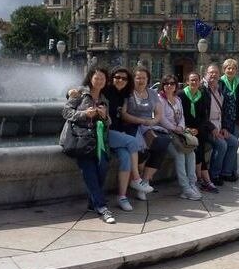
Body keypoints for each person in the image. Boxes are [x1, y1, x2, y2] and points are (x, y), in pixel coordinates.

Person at [68, 66, 154, 212]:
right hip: (103, 134)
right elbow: (82, 91)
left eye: (124, 78)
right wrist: (70, 92)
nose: (120, 80)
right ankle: (136, 179)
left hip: (114, 132)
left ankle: (122, 197)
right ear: (111, 79)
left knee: (125, 156)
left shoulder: (126, 94)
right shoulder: (105, 91)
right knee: (132, 142)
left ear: (128, 81)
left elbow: (120, 116)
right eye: (117, 77)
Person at [62, 66, 115, 223]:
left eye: (102, 79)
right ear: (90, 78)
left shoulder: (104, 100)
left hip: (99, 141)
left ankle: (93, 203)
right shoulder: (80, 93)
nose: (99, 81)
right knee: (89, 171)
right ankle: (102, 207)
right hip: (80, 140)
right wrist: (84, 114)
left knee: (103, 168)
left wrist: (105, 117)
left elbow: (108, 122)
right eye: (96, 78)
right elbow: (65, 112)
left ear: (106, 81)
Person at [121, 66, 171, 201]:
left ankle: (144, 181)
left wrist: (153, 121)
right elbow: (124, 114)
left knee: (163, 142)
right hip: (131, 125)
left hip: (148, 126)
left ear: (148, 79)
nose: (141, 80)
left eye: (144, 78)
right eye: (138, 77)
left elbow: (159, 113)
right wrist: (141, 120)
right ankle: (139, 181)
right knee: (140, 150)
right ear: (133, 79)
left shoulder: (153, 93)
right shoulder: (128, 93)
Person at [158, 74, 202, 200]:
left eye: (172, 83)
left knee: (191, 153)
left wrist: (181, 127)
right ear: (163, 85)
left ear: (176, 86)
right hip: (166, 133)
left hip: (178, 132)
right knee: (180, 155)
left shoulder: (177, 99)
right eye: (166, 83)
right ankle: (185, 188)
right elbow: (161, 119)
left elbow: (182, 116)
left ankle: (192, 183)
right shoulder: (160, 99)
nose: (169, 86)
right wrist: (175, 128)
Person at [202, 63, 239, 186]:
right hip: (207, 128)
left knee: (234, 142)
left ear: (219, 75)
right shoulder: (202, 90)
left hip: (218, 126)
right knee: (222, 144)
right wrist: (212, 129)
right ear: (206, 74)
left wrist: (224, 128)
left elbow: (222, 111)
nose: (213, 75)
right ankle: (214, 175)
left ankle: (226, 172)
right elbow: (201, 115)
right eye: (211, 72)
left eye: (216, 73)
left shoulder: (219, 89)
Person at [178, 72, 215, 192]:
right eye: (191, 80)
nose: (194, 82)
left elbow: (204, 116)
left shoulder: (202, 95)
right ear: (187, 82)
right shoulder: (181, 95)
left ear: (199, 82)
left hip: (199, 129)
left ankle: (203, 180)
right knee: (196, 151)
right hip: (185, 129)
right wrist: (187, 128)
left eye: (196, 80)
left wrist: (198, 129)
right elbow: (179, 115)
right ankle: (203, 180)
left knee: (201, 151)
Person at [220, 58, 239, 139]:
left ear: (236, 70)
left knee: (234, 142)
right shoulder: (220, 83)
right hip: (223, 119)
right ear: (224, 69)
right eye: (229, 68)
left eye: (233, 68)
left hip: (236, 119)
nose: (231, 70)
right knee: (225, 143)